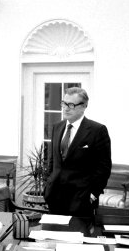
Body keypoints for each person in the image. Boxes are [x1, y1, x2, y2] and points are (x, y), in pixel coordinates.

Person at [44, 87, 112, 218]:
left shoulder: (97, 130)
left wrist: (93, 195)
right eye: (64, 103)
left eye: (71, 105)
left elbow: (104, 168)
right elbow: (52, 162)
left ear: (84, 106)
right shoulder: (57, 127)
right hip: (54, 199)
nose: (66, 108)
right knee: (52, 236)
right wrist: (48, 186)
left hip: (81, 202)